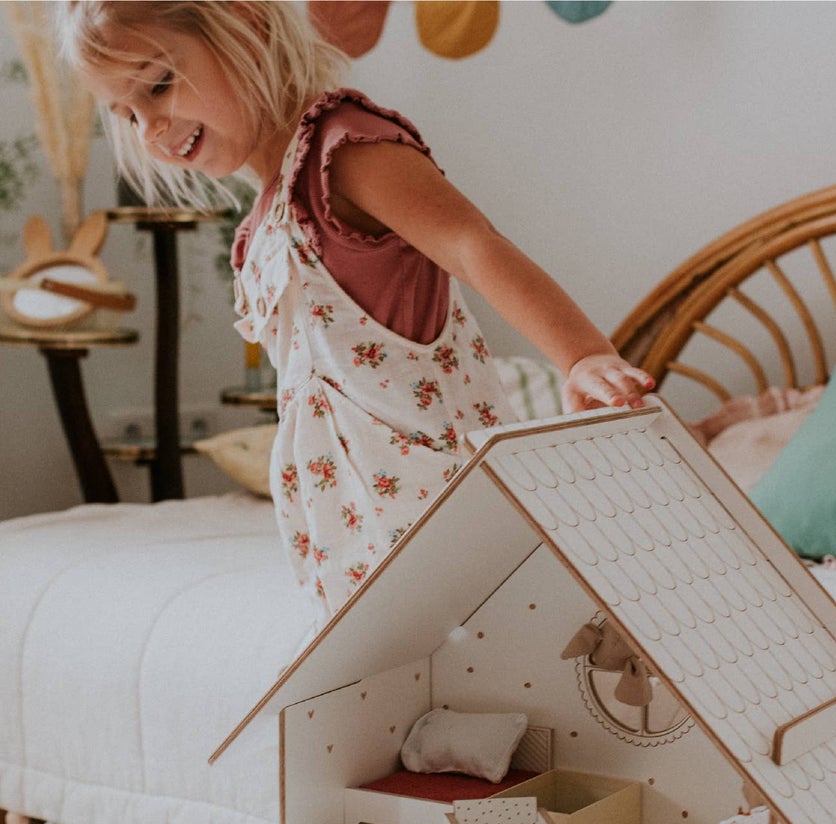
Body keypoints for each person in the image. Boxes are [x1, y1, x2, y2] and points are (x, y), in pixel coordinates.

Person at [65, 1, 654, 618]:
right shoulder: (262, 223)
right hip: (347, 530)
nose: (149, 130)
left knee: (501, 654)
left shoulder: (341, 151)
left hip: (440, 501)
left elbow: (471, 245)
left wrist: (582, 356)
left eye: (158, 85)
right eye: (127, 114)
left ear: (246, 24)